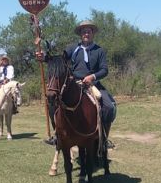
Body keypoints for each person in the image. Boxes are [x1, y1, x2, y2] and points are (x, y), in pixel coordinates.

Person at [36, 20, 116, 148]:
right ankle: (58, 135)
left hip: (93, 84)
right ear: (80, 34)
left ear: (93, 33)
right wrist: (44, 57)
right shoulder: (73, 48)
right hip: (74, 83)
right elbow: (59, 60)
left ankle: (104, 138)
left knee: (109, 107)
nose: (86, 34)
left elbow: (104, 70)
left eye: (88, 31)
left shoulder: (99, 50)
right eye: (84, 31)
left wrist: (92, 76)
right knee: (53, 104)